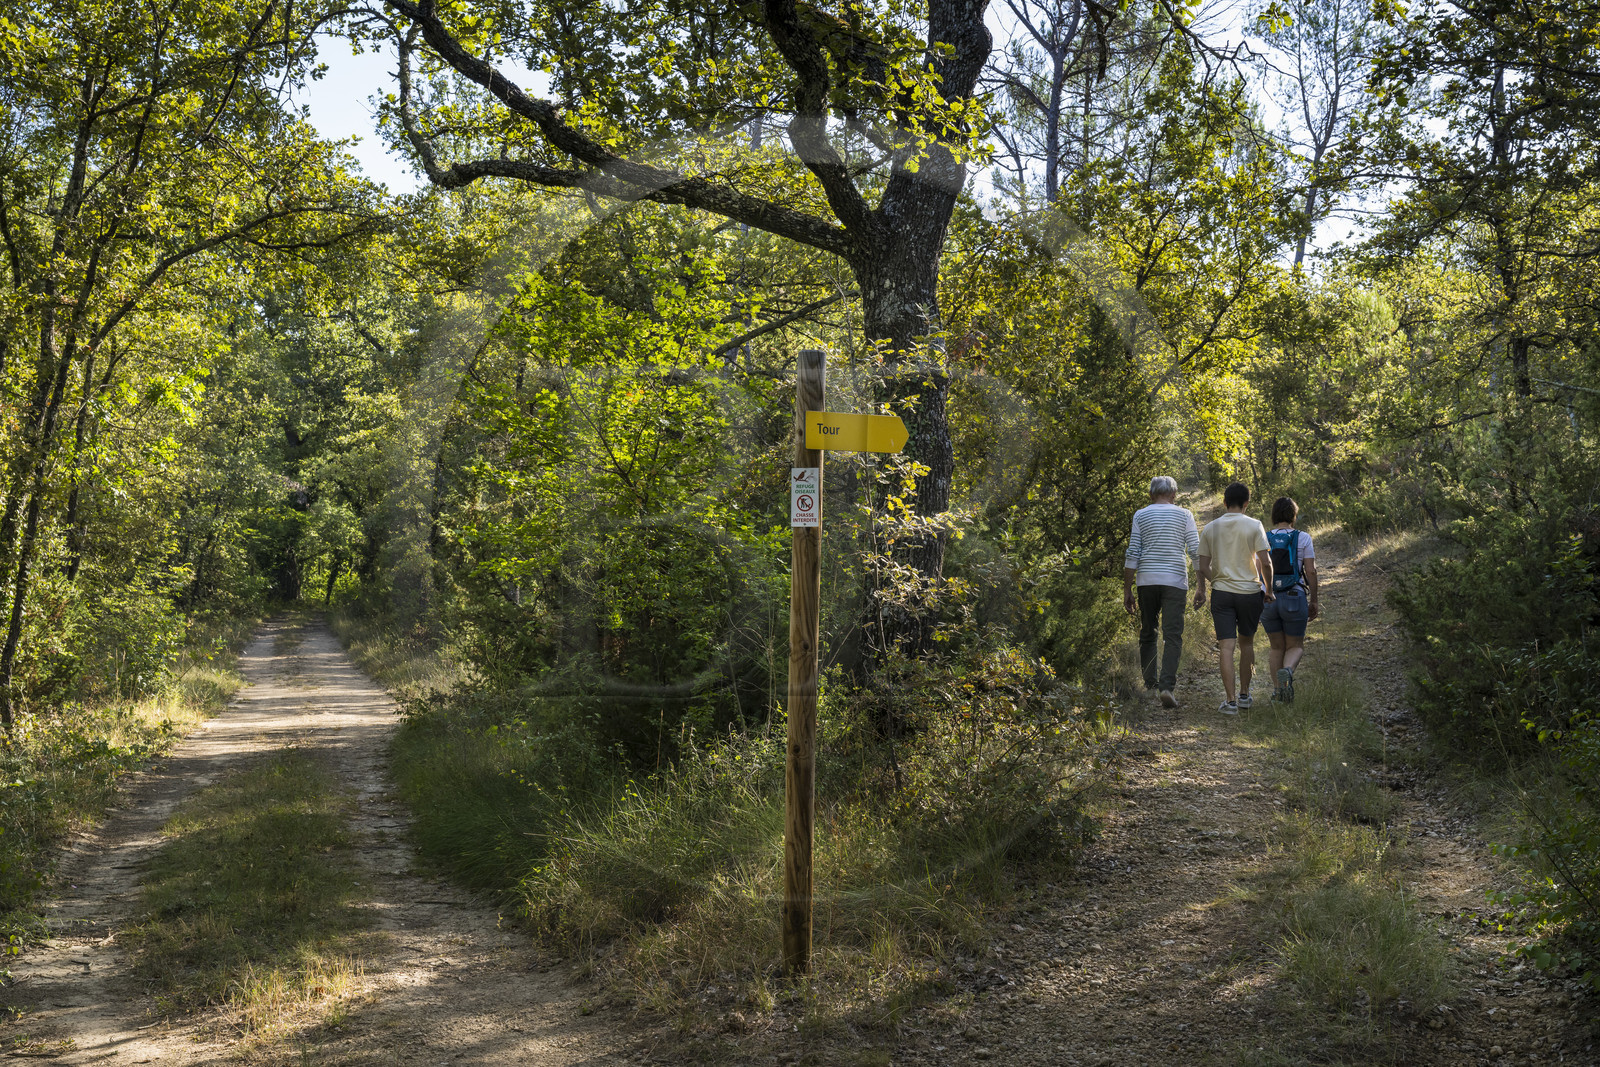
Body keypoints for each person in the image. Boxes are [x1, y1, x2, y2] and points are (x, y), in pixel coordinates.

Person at [1194, 482, 1275, 715]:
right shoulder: (1254, 525)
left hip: (1223, 594)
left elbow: (1202, 565)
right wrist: (1268, 589)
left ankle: (1229, 702)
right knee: (1247, 643)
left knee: (1226, 647)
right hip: (1250, 592)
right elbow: (1266, 562)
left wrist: (1216, 580)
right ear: (1246, 503)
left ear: (1224, 502)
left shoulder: (1210, 527)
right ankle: (1245, 695)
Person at [1123, 476, 1200, 708]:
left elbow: (1133, 551)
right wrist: (1203, 585)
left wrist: (1127, 588)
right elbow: (1195, 550)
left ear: (1151, 494)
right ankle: (1166, 687)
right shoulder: (1184, 514)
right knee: (1173, 634)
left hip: (1146, 580)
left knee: (1148, 631)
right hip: (1175, 580)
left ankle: (1150, 685)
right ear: (1174, 494)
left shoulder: (1141, 515)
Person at [1261, 496, 1319, 702]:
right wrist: (1314, 600)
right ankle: (1287, 670)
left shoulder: (1264, 537)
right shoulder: (1303, 538)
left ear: (1274, 515)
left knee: (1276, 646)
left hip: (1268, 598)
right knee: (1295, 645)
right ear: (1293, 515)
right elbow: (1310, 571)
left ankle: (1278, 692)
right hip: (1294, 596)